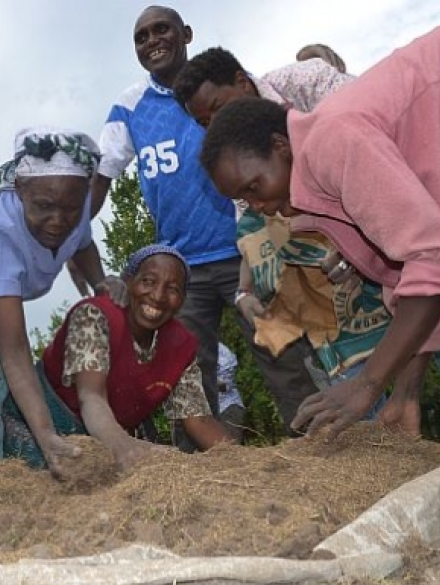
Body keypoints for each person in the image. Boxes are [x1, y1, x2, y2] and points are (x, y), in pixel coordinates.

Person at [199, 0, 440, 543]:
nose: (260, 208)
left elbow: (434, 259)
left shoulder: (331, 141)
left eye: (254, 187)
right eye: (243, 202)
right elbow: (413, 282)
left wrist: (369, 384)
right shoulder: (319, 199)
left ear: (281, 145)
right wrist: (406, 393)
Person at [174, 45, 440, 462]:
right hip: (360, 265)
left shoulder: (309, 87)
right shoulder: (244, 169)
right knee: (371, 363)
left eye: (218, 108)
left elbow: (377, 153)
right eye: (204, 122)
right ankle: (399, 464)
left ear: (241, 82)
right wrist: (246, 293)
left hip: (413, 216)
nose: (215, 125)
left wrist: (356, 241)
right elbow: (256, 235)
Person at [91, 6, 319, 447]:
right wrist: (73, 238)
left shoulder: (224, 89)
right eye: (141, 36)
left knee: (284, 353)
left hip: (248, 251)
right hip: (183, 271)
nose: (152, 41)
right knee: (186, 372)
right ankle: (197, 476)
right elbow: (102, 177)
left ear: (187, 34)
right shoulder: (129, 107)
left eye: (163, 30)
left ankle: (319, 451)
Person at [0, 127, 124, 478]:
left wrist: (99, 281)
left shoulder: (73, 207)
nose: (58, 220)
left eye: (70, 208)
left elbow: (82, 242)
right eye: (44, 207)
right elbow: (15, 352)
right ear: (19, 190)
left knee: (25, 398)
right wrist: (46, 436)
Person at [4, 245, 235, 470]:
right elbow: (91, 397)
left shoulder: (181, 345)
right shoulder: (94, 316)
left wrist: (244, 462)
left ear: (182, 300)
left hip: (103, 437)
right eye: (148, 281)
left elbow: (198, 421)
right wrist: (125, 447)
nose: (158, 295)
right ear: (128, 282)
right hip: (41, 427)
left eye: (172, 289)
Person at [216, 342, 246, 441]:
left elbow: (225, 385)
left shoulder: (221, 351)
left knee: (230, 450)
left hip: (227, 407)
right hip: (205, 413)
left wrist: (206, 380)